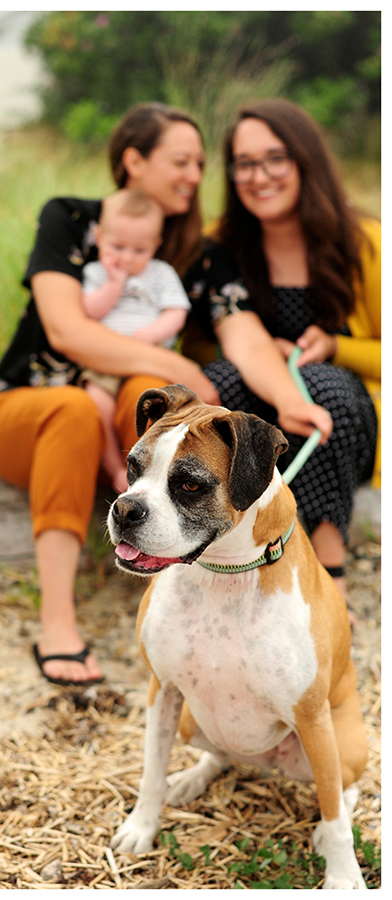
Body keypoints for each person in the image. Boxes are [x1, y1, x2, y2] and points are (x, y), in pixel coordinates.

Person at [0, 102, 219, 687]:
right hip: (28, 407)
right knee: (73, 406)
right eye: (180, 161)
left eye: (201, 164)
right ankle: (57, 621)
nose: (194, 175)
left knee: (151, 391)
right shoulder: (68, 218)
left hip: (120, 417)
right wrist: (179, 361)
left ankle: (181, 598)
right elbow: (68, 331)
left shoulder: (194, 251)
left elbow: (238, 326)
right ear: (133, 161)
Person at [184, 98, 380, 619]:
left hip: (343, 420)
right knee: (221, 381)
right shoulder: (222, 246)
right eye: (245, 163)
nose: (259, 175)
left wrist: (339, 347)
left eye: (275, 159)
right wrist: (256, 348)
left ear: (305, 161)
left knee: (327, 387)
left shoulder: (366, 243)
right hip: (259, 420)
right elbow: (199, 343)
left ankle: (328, 562)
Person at [79, 188, 191, 492]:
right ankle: (114, 467)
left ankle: (150, 476)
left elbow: (176, 313)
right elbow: (89, 310)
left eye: (139, 250)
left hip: (149, 358)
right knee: (95, 402)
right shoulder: (95, 272)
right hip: (105, 361)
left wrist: (148, 335)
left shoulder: (160, 273)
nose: (127, 258)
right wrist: (114, 285)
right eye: (117, 246)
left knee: (151, 409)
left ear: (155, 245)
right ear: (99, 237)